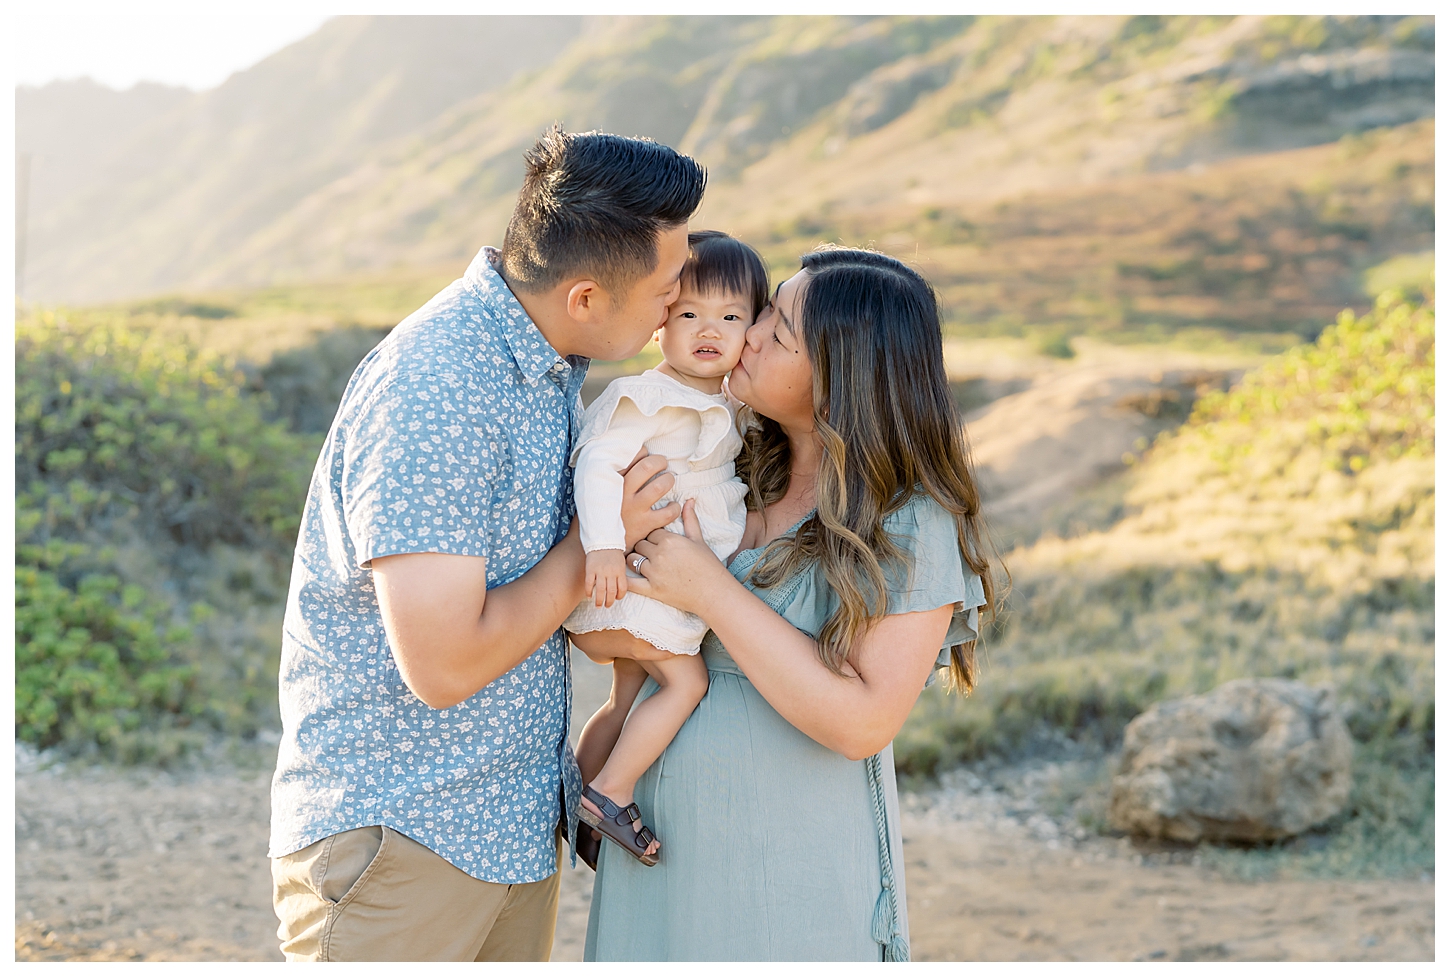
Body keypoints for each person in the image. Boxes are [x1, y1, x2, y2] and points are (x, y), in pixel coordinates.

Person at [266, 126, 706, 962]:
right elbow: (444, 664)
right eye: (665, 284)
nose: (677, 300)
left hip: (501, 832)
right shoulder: (440, 385)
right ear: (585, 297)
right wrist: (597, 542)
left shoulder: (543, 364)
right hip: (403, 836)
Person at [572, 247, 999, 961]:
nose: (753, 334)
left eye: (781, 331)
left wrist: (709, 586)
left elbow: (864, 721)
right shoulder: (731, 464)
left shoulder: (908, 520)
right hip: (655, 856)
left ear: (840, 379)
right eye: (765, 311)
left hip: (786, 875)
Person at [565, 231, 770, 867]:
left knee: (624, 697)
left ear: (752, 329)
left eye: (730, 317)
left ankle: (576, 799)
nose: (710, 330)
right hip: (635, 580)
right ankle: (610, 794)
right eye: (689, 315)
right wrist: (601, 548)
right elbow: (598, 463)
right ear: (661, 322)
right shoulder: (653, 397)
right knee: (686, 683)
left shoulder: (720, 401)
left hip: (648, 587)